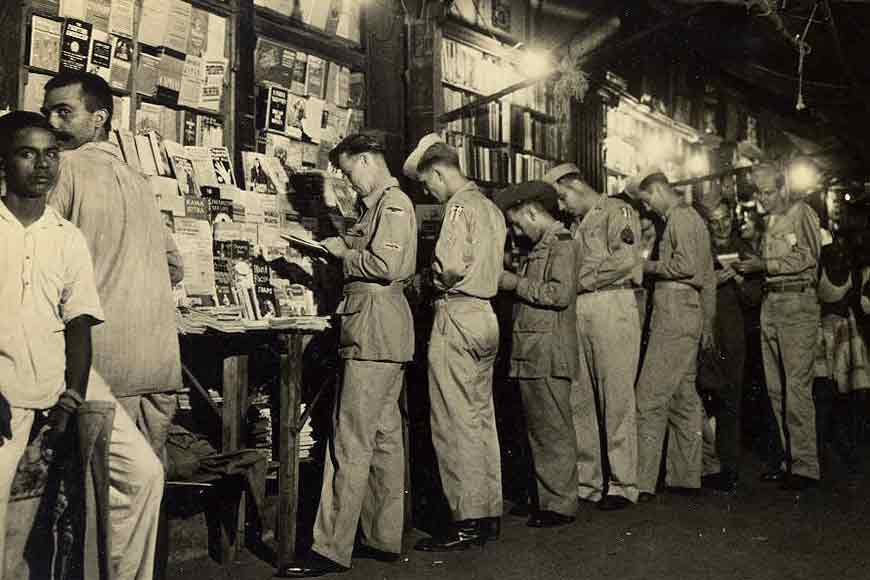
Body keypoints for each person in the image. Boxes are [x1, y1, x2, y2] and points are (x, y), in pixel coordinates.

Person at [0, 112, 162, 580]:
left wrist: (72, 396)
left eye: (51, 154)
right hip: (6, 387)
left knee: (144, 476)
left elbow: (79, 325)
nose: (44, 165)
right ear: (4, 163)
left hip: (63, 378)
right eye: (27, 154)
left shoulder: (67, 237)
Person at [42, 71, 178, 578]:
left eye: (64, 111)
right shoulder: (140, 178)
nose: (53, 121)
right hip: (159, 365)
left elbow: (41, 256)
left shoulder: (65, 169)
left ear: (99, 120)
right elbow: (175, 263)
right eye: (49, 110)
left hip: (104, 364)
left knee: (92, 514)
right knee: (142, 504)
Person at [280, 134, 417, 577]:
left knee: (350, 438)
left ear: (366, 160)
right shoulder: (379, 205)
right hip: (382, 332)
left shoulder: (393, 204)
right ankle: (382, 536)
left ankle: (329, 547)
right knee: (382, 437)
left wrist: (342, 253)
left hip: (373, 331)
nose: (345, 178)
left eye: (347, 169)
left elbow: (387, 265)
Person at [403, 134, 507, 551]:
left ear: (439, 172)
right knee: (481, 418)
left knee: (452, 421)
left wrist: (420, 282)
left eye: (428, 183)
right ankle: (487, 514)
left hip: (457, 313)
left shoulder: (459, 207)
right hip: (486, 315)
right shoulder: (492, 208)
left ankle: (464, 518)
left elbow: (446, 267)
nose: (429, 191)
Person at [543, 163, 643, 511]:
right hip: (580, 309)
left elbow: (626, 258)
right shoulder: (574, 225)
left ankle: (622, 483)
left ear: (573, 186)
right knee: (581, 397)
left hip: (612, 303)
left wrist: (582, 279)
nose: (563, 208)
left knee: (616, 396)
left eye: (562, 199)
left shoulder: (617, 211)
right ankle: (589, 481)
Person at [493, 181, 579, 527]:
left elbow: (559, 294)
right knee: (538, 430)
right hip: (533, 350)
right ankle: (545, 497)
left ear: (532, 212)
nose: (517, 231)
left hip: (548, 351)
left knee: (552, 431)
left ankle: (559, 504)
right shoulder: (541, 245)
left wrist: (515, 283)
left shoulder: (562, 245)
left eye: (517, 223)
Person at [734, 163, 822, 490]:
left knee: (797, 387)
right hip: (771, 304)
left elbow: (809, 258)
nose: (762, 198)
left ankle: (805, 467)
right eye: (757, 192)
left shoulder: (803, 214)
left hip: (797, 304)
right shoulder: (769, 222)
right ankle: (789, 459)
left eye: (768, 191)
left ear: (783, 188)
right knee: (775, 387)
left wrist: (764, 264)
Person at [634, 169, 716, 502]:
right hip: (688, 312)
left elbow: (685, 267)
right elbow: (707, 275)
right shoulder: (693, 219)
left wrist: (644, 267)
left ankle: (640, 482)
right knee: (683, 399)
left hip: (674, 309)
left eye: (646, 200)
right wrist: (706, 322)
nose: (648, 208)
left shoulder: (680, 219)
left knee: (648, 397)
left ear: (657, 190)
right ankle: (686, 476)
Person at [701, 199, 755, 493]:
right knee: (700, 398)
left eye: (724, 220)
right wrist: (711, 280)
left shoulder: (744, 250)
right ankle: (706, 464)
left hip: (732, 335)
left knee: (730, 399)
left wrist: (736, 280)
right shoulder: (701, 250)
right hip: (704, 332)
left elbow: (753, 299)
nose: (720, 226)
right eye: (714, 221)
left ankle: (728, 467)